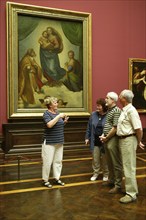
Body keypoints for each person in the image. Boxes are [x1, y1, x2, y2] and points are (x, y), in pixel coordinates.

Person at [117, 89, 145, 204]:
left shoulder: (131, 111)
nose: (119, 98)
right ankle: (133, 189)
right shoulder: (125, 110)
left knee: (129, 167)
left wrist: (138, 141)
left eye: (120, 96)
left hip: (129, 140)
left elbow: (139, 129)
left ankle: (131, 194)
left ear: (124, 99)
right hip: (124, 140)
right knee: (127, 166)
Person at [41, 96, 69, 188]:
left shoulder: (57, 113)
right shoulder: (46, 114)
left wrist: (64, 122)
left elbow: (57, 125)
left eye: (57, 102)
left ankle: (57, 178)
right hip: (49, 141)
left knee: (58, 161)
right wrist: (59, 116)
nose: (57, 104)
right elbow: (49, 125)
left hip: (59, 141)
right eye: (55, 102)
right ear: (50, 105)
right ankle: (45, 180)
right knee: (47, 162)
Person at [100, 92, 123, 193]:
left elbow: (115, 127)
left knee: (116, 163)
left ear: (113, 100)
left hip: (112, 139)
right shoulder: (109, 110)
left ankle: (118, 185)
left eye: (107, 98)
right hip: (107, 138)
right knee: (109, 162)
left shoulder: (117, 110)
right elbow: (107, 125)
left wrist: (106, 137)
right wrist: (103, 135)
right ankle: (112, 180)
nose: (105, 99)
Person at [85, 98, 109, 182]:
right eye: (97, 105)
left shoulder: (109, 115)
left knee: (105, 159)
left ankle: (106, 174)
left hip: (105, 141)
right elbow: (89, 127)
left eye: (99, 106)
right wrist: (87, 138)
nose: (97, 107)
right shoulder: (93, 114)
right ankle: (96, 173)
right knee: (95, 159)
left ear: (103, 106)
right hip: (95, 141)